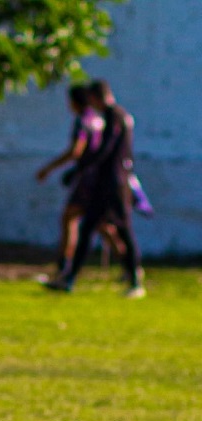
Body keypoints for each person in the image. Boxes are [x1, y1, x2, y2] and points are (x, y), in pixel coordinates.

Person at [45, 79, 145, 297]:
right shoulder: (116, 116)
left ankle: (135, 278)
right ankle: (69, 279)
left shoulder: (114, 116)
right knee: (90, 227)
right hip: (108, 181)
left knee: (122, 228)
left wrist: (80, 169)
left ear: (95, 97)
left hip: (114, 182)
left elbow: (106, 150)